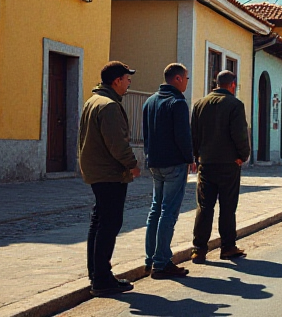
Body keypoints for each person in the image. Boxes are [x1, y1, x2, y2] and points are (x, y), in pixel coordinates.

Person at [78, 61, 141, 296]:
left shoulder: (93, 101)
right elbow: (117, 144)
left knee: (99, 221)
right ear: (116, 81)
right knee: (110, 223)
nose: (128, 84)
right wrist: (132, 165)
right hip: (109, 172)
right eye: (127, 79)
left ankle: (97, 273)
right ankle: (102, 279)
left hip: (96, 170)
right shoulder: (109, 106)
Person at [190, 70, 251, 263]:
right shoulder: (235, 105)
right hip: (229, 164)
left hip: (206, 163)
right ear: (233, 84)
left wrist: (196, 155)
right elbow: (239, 133)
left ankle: (199, 249)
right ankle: (227, 247)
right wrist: (243, 155)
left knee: (204, 206)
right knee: (227, 207)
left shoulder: (199, 104)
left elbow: (193, 133)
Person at [142, 63, 195, 279]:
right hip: (174, 163)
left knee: (155, 209)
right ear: (178, 79)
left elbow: (145, 134)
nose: (187, 82)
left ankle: (150, 258)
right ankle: (161, 262)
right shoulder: (178, 102)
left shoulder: (150, 101)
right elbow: (183, 135)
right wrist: (190, 158)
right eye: (187, 78)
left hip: (155, 162)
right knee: (168, 212)